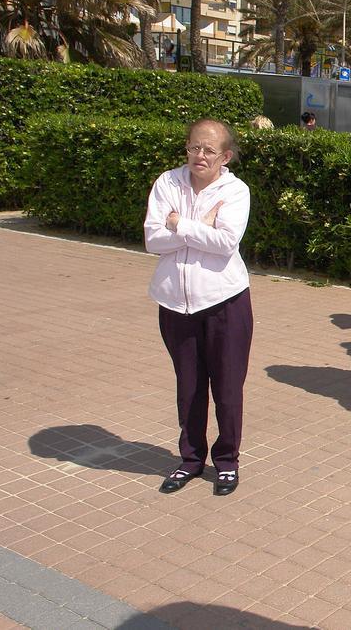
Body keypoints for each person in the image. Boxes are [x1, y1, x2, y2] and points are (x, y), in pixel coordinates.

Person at [143, 119, 252, 496]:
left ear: (225, 156)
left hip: (226, 302)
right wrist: (195, 226)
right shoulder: (167, 183)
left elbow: (225, 243)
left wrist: (177, 223)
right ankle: (190, 459)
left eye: (208, 150)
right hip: (174, 303)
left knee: (226, 388)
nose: (199, 156)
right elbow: (152, 240)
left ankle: (227, 461)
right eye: (193, 148)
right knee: (188, 387)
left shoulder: (235, 191)